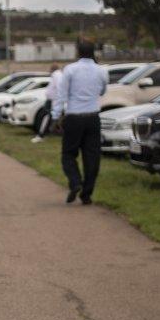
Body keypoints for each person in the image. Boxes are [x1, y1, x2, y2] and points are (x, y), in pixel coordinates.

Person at [52, 40, 108, 204]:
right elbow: (103, 91)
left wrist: (56, 117)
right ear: (93, 53)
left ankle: (76, 182)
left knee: (68, 154)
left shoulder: (70, 70)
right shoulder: (101, 70)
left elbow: (61, 95)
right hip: (93, 117)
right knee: (92, 157)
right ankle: (87, 194)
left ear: (78, 52)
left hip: (74, 117)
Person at [32, 63, 63, 143]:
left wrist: (57, 101)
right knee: (48, 117)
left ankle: (41, 135)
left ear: (52, 69)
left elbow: (59, 88)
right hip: (52, 100)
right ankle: (46, 132)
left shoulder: (57, 75)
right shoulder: (56, 75)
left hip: (54, 100)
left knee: (46, 117)